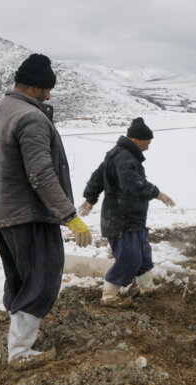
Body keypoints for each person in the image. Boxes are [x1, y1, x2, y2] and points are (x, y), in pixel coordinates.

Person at [0, 53, 92, 369]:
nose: (49, 95)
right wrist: (70, 216)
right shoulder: (31, 118)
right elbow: (41, 174)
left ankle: (20, 342)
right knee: (42, 276)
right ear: (37, 87)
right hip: (29, 214)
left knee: (19, 278)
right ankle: (21, 353)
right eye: (47, 89)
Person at [78, 117, 175, 304]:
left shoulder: (119, 155)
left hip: (132, 219)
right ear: (136, 140)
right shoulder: (124, 158)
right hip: (121, 220)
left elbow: (98, 177)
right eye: (147, 141)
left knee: (143, 255)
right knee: (129, 258)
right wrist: (157, 193)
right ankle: (109, 294)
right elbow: (132, 183)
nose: (148, 145)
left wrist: (90, 199)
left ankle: (147, 288)